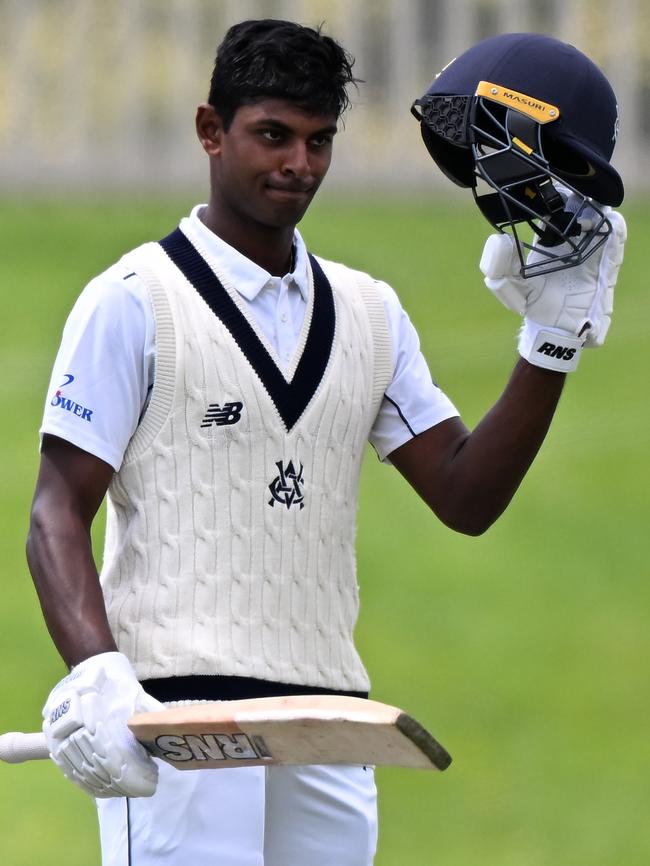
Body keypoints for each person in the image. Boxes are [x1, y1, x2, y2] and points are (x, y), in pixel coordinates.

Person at [27, 20, 625, 866]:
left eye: (318, 141)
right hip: (185, 719)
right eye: (272, 136)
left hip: (329, 719)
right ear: (211, 131)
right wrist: (96, 674)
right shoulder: (131, 299)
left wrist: (550, 343)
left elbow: (466, 497)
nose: (297, 166)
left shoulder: (371, 312)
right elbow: (56, 513)